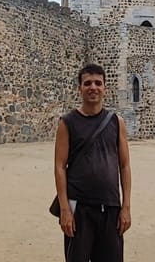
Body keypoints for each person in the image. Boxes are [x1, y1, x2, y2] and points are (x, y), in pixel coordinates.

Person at [54, 64, 132, 262]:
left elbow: (124, 166)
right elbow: (59, 167)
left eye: (98, 83)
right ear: (79, 88)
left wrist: (126, 207)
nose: (93, 87)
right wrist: (65, 210)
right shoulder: (67, 122)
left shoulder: (116, 122)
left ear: (105, 88)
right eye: (87, 83)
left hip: (110, 207)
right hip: (79, 208)